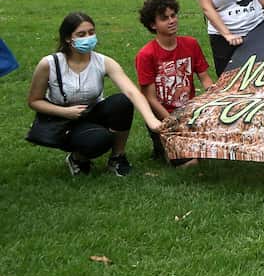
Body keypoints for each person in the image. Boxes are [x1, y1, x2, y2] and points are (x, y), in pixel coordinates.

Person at [26, 11, 163, 176]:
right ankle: (77, 158)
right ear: (68, 38)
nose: (88, 38)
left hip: (91, 113)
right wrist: (65, 112)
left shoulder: (102, 61)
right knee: (99, 141)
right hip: (62, 121)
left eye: (91, 32)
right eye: (81, 34)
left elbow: (132, 91)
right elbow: (34, 101)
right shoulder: (49, 64)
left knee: (122, 101)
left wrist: (152, 120)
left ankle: (117, 157)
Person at [135, 0, 214, 165]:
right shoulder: (146, 54)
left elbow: (205, 78)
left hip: (190, 112)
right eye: (164, 18)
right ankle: (163, 145)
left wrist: (214, 101)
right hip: (164, 116)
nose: (172, 21)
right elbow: (150, 97)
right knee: (190, 162)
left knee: (210, 151)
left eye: (173, 15)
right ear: (153, 25)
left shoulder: (191, 44)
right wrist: (172, 120)